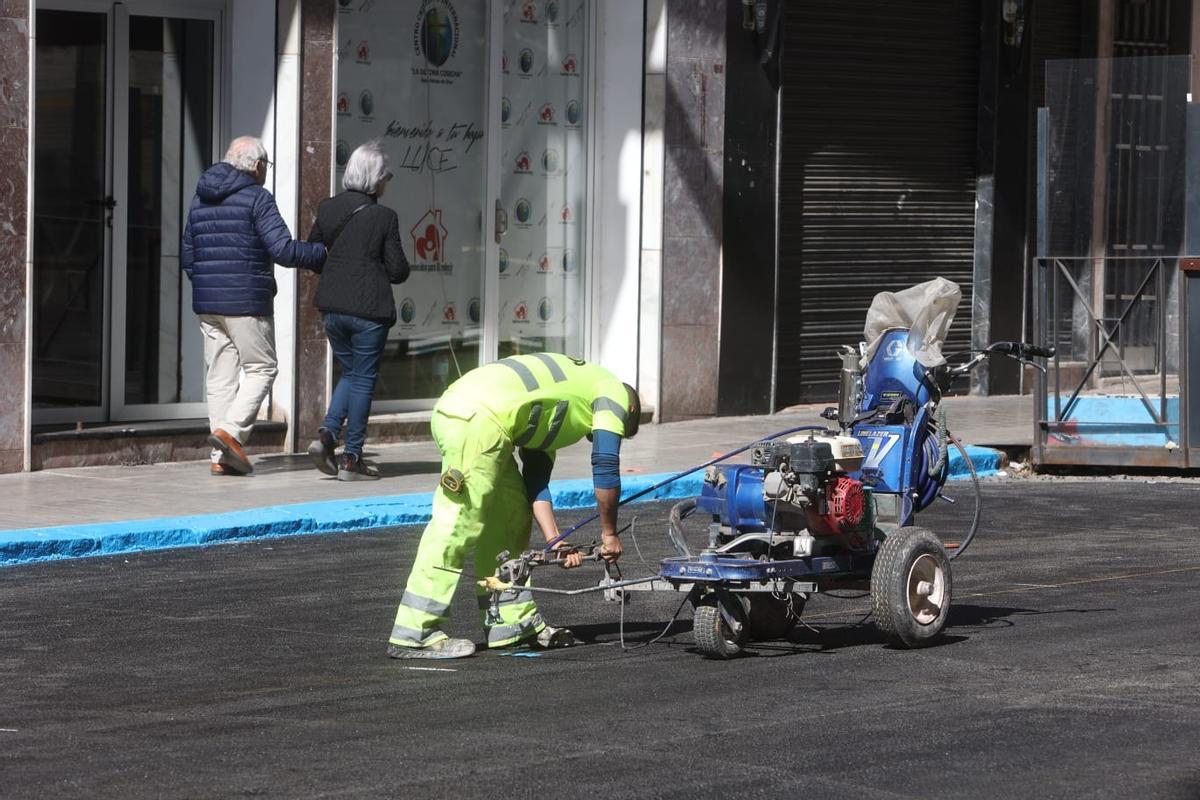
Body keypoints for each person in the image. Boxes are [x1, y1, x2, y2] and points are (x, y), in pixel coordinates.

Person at [386, 353, 640, 660]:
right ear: (631, 409)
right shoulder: (612, 390)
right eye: (622, 430)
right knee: (458, 522)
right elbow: (605, 465)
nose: (594, 434)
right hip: (478, 418)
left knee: (512, 514)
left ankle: (511, 624)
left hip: (484, 419)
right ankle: (415, 632)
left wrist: (556, 541)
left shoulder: (562, 406)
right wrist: (609, 533)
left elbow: (535, 482)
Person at [182, 136, 326, 476]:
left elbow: (188, 253)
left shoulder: (200, 198)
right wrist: (321, 254)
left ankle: (221, 458)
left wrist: (206, 283)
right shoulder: (258, 198)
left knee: (220, 377)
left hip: (209, 303)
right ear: (258, 166)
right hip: (246, 302)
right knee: (262, 368)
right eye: (267, 166)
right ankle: (230, 434)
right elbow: (282, 250)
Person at [305, 142, 410, 481]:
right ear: (375, 178)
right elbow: (397, 270)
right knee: (363, 378)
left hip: (332, 306)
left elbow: (315, 250)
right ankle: (352, 458)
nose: (387, 182)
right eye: (386, 176)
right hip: (368, 309)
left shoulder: (328, 208)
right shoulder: (384, 217)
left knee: (351, 373)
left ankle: (327, 434)